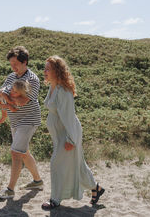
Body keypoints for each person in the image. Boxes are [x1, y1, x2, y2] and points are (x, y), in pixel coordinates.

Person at [41, 55, 105, 210]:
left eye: (48, 68)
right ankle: (96, 188)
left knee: (56, 164)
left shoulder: (63, 91)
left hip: (68, 135)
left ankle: (55, 199)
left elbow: (69, 117)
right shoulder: (53, 86)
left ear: (56, 71)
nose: (44, 71)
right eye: (45, 68)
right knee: (78, 164)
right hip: (60, 135)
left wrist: (71, 139)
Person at [0, 46, 43, 199]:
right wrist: (2, 101)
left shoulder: (32, 80)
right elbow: (0, 93)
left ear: (25, 62)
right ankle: (37, 181)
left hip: (29, 119)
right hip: (15, 120)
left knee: (16, 153)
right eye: (11, 63)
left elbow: (22, 101)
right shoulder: (11, 76)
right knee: (23, 152)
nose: (13, 67)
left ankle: (10, 190)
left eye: (15, 63)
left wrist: (6, 100)